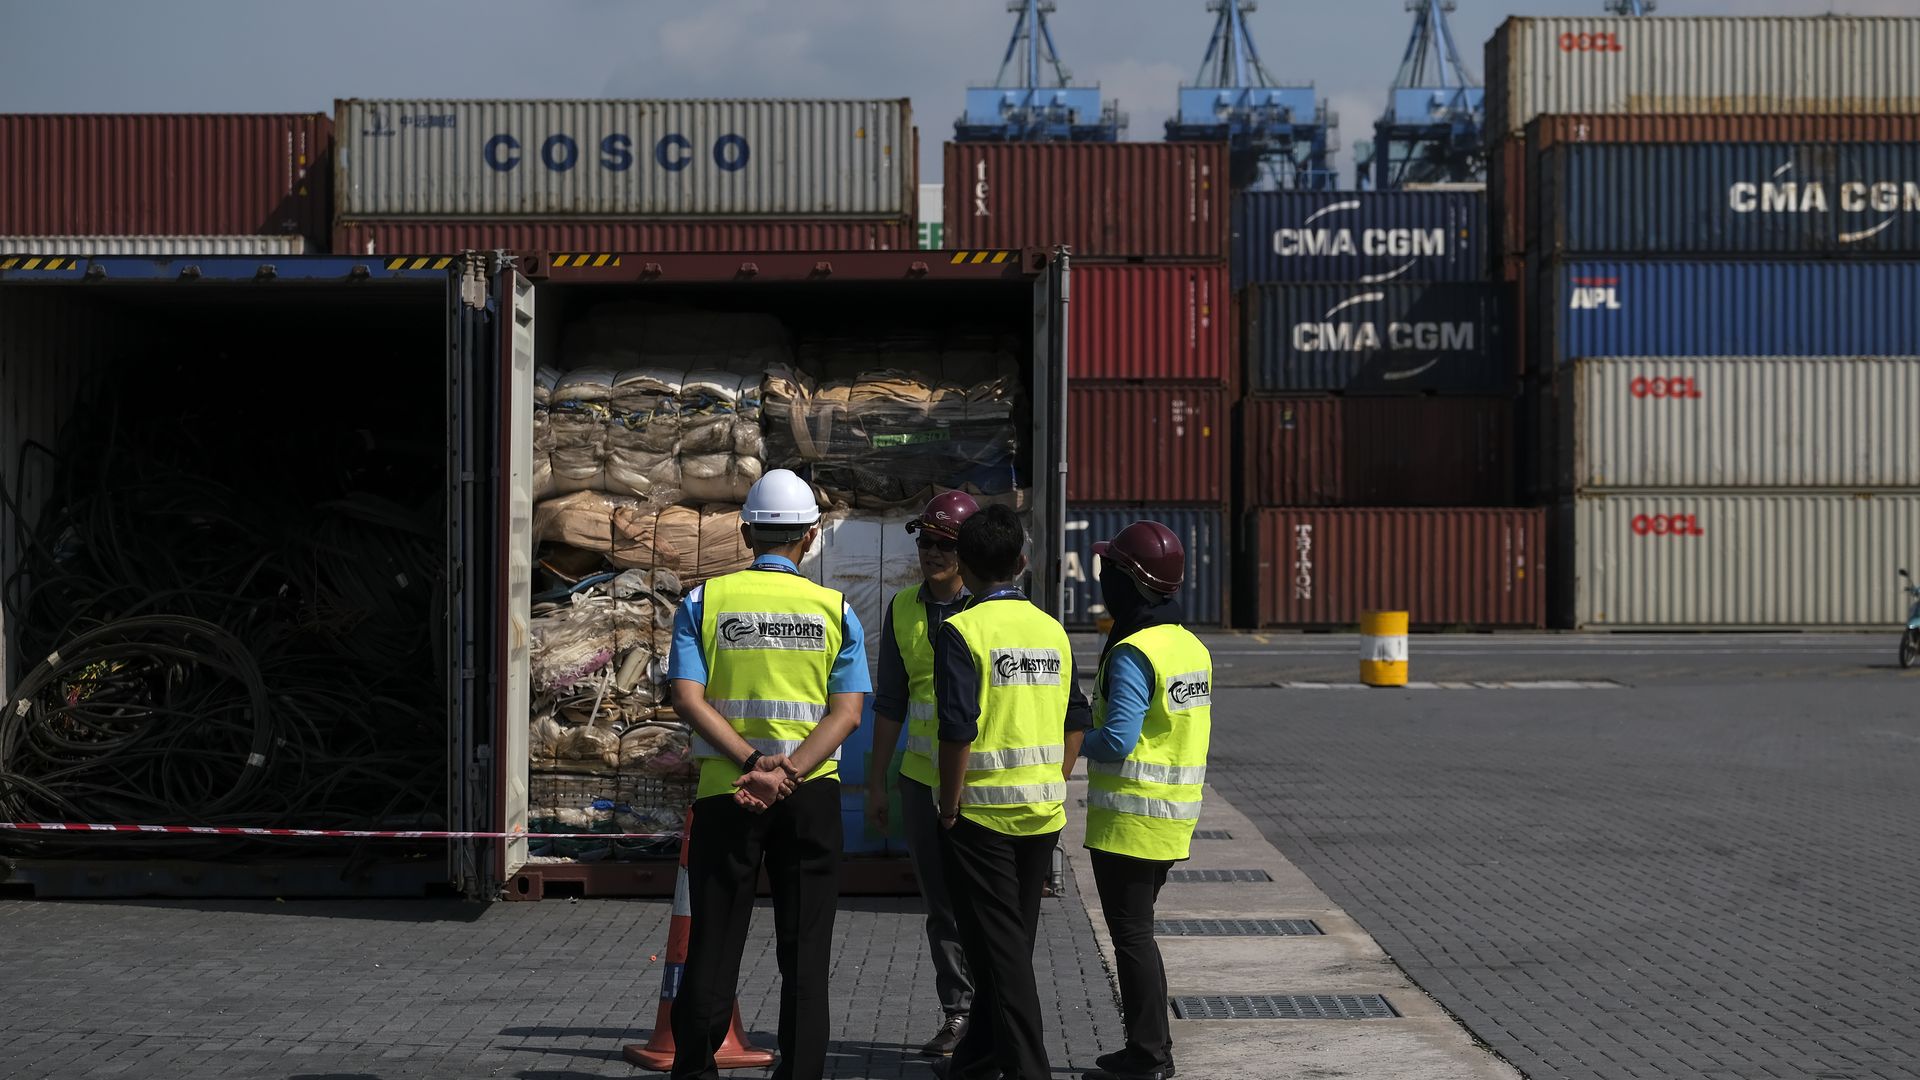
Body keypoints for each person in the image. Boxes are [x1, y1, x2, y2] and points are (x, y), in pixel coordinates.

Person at [667, 468, 871, 1080]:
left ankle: (696, 1070)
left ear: (746, 529)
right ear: (810, 536)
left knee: (714, 940)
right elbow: (849, 713)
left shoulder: (703, 602)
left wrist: (754, 765)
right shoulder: (835, 610)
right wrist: (790, 772)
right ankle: (801, 1070)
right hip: (810, 798)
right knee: (806, 949)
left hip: (727, 793)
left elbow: (686, 698)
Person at [932, 504, 1080, 1080]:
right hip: (1041, 814)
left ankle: (1027, 1069)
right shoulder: (1052, 630)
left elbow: (957, 729)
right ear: (1022, 563)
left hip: (982, 818)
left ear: (963, 569)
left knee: (1003, 952)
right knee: (1004, 941)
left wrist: (947, 807)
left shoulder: (962, 631)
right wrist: (1053, 782)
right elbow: (1076, 719)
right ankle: (979, 1056)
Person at [1079, 521, 1212, 1080]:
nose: (1102, 578)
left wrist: (1060, 738)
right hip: (1171, 821)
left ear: (1131, 582)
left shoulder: (1134, 651)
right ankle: (1148, 1050)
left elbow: (1117, 738)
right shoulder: (1190, 646)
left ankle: (1150, 1055)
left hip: (1129, 822)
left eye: (1110, 570)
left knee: (1131, 937)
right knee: (1139, 933)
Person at [866, 490, 981, 1056]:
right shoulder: (903, 608)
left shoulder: (987, 610)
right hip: (918, 780)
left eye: (944, 543)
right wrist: (875, 783)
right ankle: (958, 1012)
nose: (931, 552)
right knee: (940, 906)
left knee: (981, 904)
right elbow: (890, 703)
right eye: (925, 541)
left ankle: (997, 1012)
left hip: (981, 783)